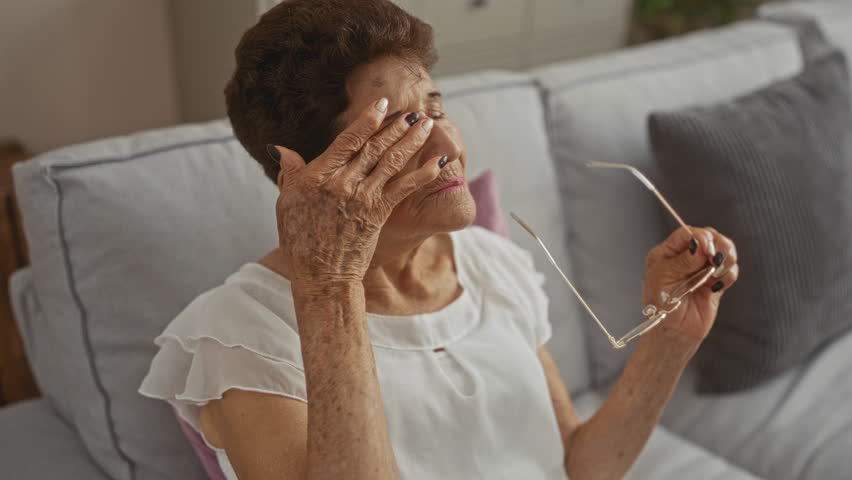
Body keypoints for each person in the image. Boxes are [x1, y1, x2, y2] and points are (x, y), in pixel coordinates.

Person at [139, 1, 740, 478]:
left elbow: (577, 465)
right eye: (401, 126)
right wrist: (330, 282)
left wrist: (670, 340)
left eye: (434, 107)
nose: (448, 147)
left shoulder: (489, 263)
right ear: (313, 175)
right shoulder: (241, 334)